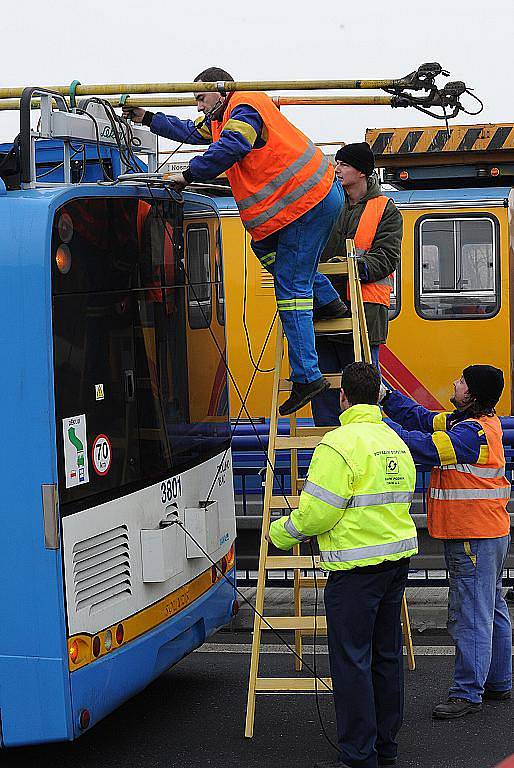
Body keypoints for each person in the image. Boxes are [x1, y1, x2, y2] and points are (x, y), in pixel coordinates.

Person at [123, 66, 345, 415]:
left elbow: (233, 146)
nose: (198, 106)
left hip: (307, 203)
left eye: (200, 97)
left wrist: (188, 174)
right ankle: (328, 300)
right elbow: (189, 130)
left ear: (221, 90)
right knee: (264, 249)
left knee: (290, 291)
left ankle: (307, 376)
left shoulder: (244, 107)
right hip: (308, 201)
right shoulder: (223, 115)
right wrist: (147, 118)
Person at [269, 362, 417, 768]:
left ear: (342, 397)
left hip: (354, 571)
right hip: (395, 564)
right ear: (377, 396)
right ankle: (386, 747)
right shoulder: (394, 440)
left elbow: (317, 515)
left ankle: (357, 754)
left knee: (352, 662)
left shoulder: (337, 445)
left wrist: (279, 534)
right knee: (386, 656)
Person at [381, 365, 512, 719]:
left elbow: (420, 446)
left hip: (471, 536)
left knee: (470, 615)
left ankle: (467, 693)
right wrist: (386, 398)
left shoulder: (470, 435)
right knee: (492, 608)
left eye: (461, 381)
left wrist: (376, 424)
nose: (454, 383)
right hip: (490, 532)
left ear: (472, 394)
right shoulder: (472, 424)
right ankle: (499, 681)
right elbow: (422, 419)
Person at [311, 142, 402, 427]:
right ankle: (330, 451)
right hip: (323, 314)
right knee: (325, 394)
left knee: (362, 398)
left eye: (344, 164)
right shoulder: (326, 204)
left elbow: (386, 258)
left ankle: (361, 454)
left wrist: (352, 267)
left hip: (363, 317)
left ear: (361, 172)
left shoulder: (385, 209)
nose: (337, 169)